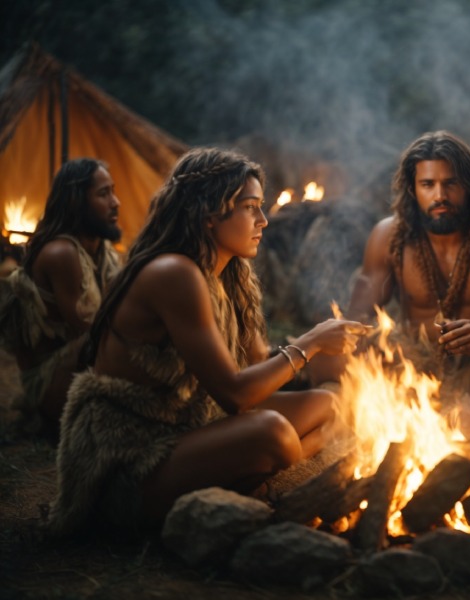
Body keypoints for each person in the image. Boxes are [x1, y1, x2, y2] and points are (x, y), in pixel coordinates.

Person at [48, 148, 363, 535]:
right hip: (130, 461)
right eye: (250, 207)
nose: (263, 220)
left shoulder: (230, 275)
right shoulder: (174, 272)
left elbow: (255, 368)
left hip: (192, 425)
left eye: (261, 207)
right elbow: (235, 394)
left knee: (329, 403)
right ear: (210, 214)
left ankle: (252, 474)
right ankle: (254, 475)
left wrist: (325, 351)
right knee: (273, 433)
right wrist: (310, 344)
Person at [313, 131, 470, 423]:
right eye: (428, 184)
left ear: (469, 186)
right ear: (413, 190)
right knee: (325, 359)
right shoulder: (388, 236)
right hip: (414, 372)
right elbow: (357, 321)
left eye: (450, 183)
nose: (440, 195)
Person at [0, 158, 122, 436]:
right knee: (114, 338)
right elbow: (93, 334)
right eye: (104, 194)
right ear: (77, 201)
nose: (116, 202)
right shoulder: (62, 253)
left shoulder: (100, 248)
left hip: (82, 371)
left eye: (113, 191)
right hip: (49, 384)